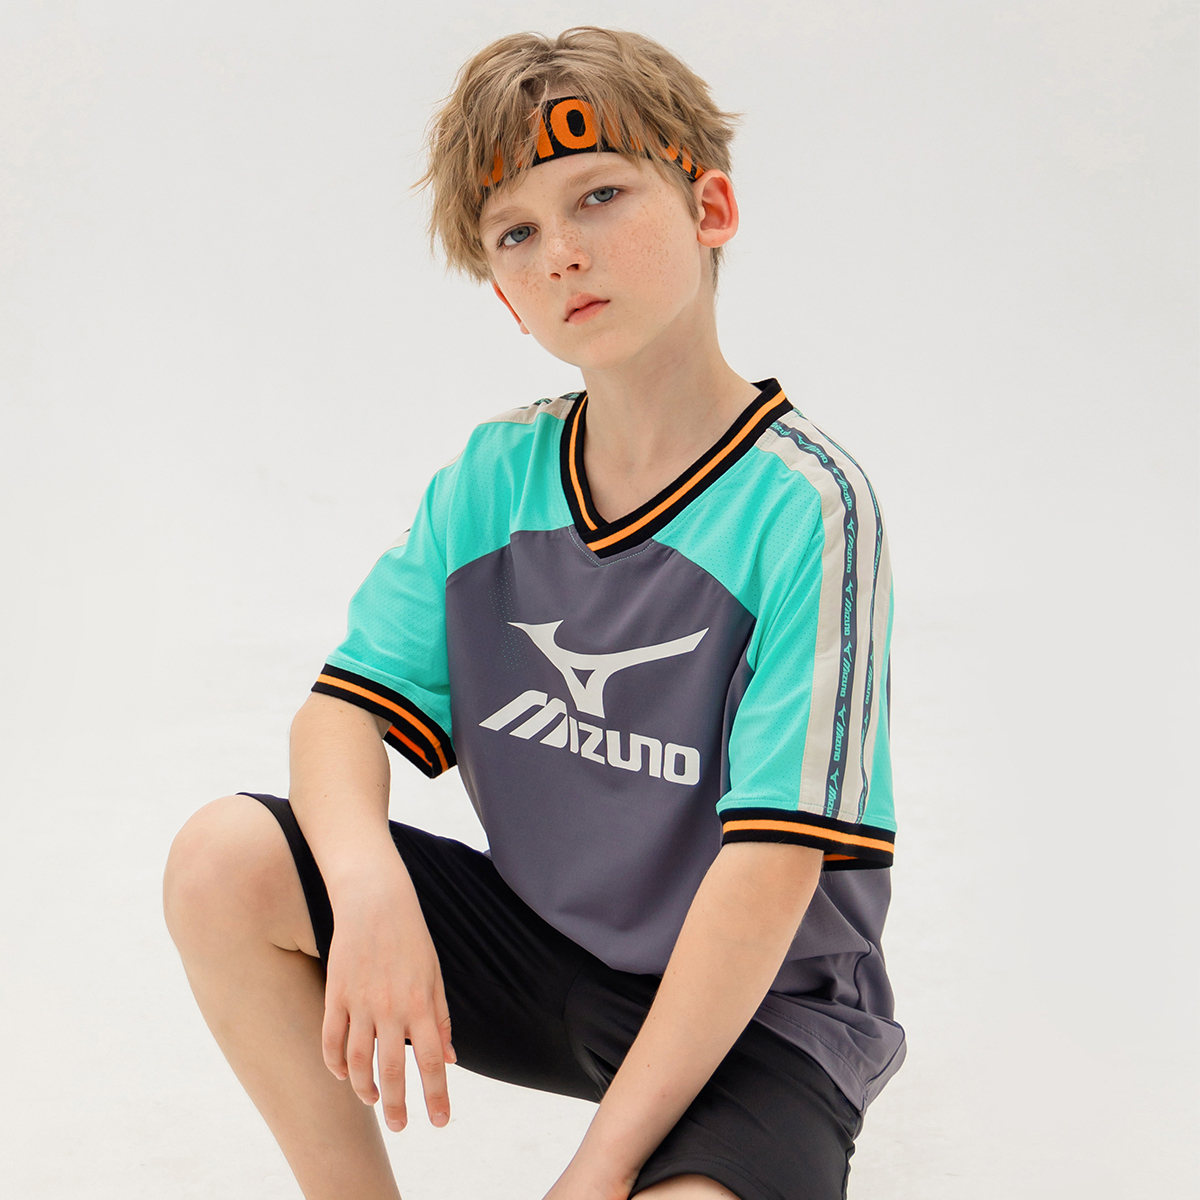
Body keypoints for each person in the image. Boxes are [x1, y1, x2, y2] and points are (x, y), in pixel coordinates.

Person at [163, 26, 903, 1200]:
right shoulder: (495, 478)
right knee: (224, 862)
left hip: (762, 1019)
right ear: (506, 298)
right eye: (516, 233)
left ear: (710, 208)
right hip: (551, 963)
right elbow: (339, 715)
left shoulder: (807, 507)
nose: (562, 253)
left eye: (600, 197)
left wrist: (597, 1171)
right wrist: (367, 889)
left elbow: (771, 870)